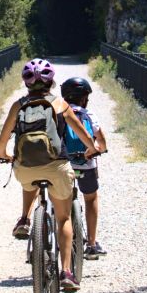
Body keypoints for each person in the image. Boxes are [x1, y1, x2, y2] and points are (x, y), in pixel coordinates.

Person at [0, 58, 99, 292]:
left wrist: (4, 155)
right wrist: (90, 148)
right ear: (52, 82)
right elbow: (83, 135)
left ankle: (24, 218)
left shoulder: (18, 105)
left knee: (28, 178)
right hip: (57, 166)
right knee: (63, 218)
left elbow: (2, 141)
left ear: (26, 83)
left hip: (25, 168)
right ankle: (66, 272)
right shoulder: (61, 104)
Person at [59, 76, 108, 259]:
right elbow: (101, 142)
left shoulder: (59, 113)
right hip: (85, 165)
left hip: (63, 164)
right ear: (84, 98)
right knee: (90, 198)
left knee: (61, 202)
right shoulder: (89, 115)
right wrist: (98, 149)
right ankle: (92, 244)